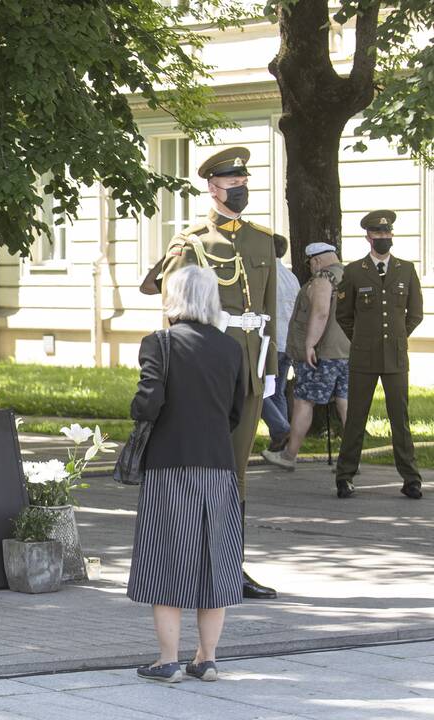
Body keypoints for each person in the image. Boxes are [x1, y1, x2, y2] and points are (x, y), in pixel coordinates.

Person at [160, 146, 278, 600]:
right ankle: (191, 563)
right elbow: (174, 312)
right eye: (232, 184)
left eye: (244, 183)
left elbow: (270, 312)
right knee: (200, 467)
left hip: (248, 366)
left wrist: (270, 368)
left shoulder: (263, 240)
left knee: (236, 469)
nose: (241, 189)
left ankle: (231, 567)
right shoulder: (190, 244)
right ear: (213, 188)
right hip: (206, 370)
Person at [128, 265, 246, 683]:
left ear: (173, 298)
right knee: (215, 560)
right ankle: (207, 657)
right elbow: (237, 410)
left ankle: (167, 659)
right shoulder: (232, 348)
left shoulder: (159, 343)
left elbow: (147, 404)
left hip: (169, 466)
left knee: (166, 558)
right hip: (218, 466)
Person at [334, 211, 423, 500]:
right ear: (368, 237)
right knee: (356, 417)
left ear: (391, 236)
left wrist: (397, 338)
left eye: (388, 234)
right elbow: (344, 316)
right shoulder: (355, 271)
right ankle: (345, 476)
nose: (384, 238)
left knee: (400, 418)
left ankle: (411, 478)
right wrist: (362, 340)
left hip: (395, 357)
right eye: (378, 234)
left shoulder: (406, 269)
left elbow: (415, 313)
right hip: (363, 357)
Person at [262, 243, 349, 471]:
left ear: (316, 261)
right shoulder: (350, 277)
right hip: (348, 352)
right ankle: (351, 457)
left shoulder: (322, 278)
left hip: (323, 353)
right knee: (345, 402)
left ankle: (289, 455)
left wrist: (310, 344)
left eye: (310, 262)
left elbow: (320, 312)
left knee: (303, 402)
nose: (310, 267)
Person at [260, 234, 300, 452]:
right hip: (288, 342)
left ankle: (282, 428)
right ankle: (282, 440)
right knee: (278, 391)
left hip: (270, 342)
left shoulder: (266, 275)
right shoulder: (291, 277)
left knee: (256, 391)